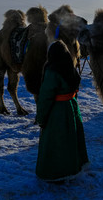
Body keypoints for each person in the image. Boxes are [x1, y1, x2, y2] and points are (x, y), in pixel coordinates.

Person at [35, 40, 88, 182]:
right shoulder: (70, 68)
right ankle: (73, 167)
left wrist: (41, 118)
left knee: (56, 142)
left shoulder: (52, 71)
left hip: (57, 111)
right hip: (72, 107)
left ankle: (56, 172)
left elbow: (46, 96)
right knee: (71, 138)